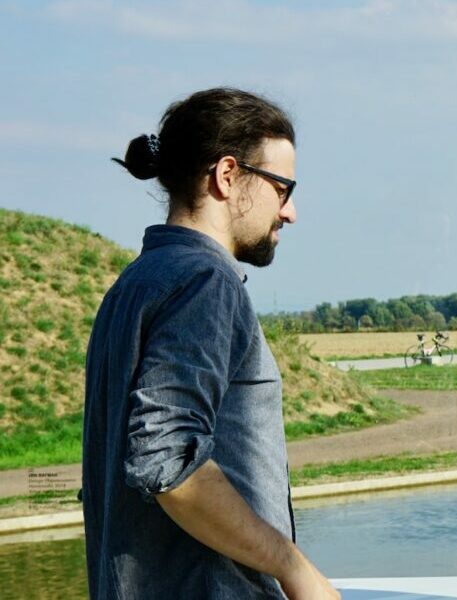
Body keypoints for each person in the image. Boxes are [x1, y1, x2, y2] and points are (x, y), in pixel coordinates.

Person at [82, 88, 338, 599]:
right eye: (282, 188)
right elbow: (166, 462)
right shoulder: (205, 283)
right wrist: (293, 567)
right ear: (227, 176)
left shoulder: (133, 284)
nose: (290, 213)